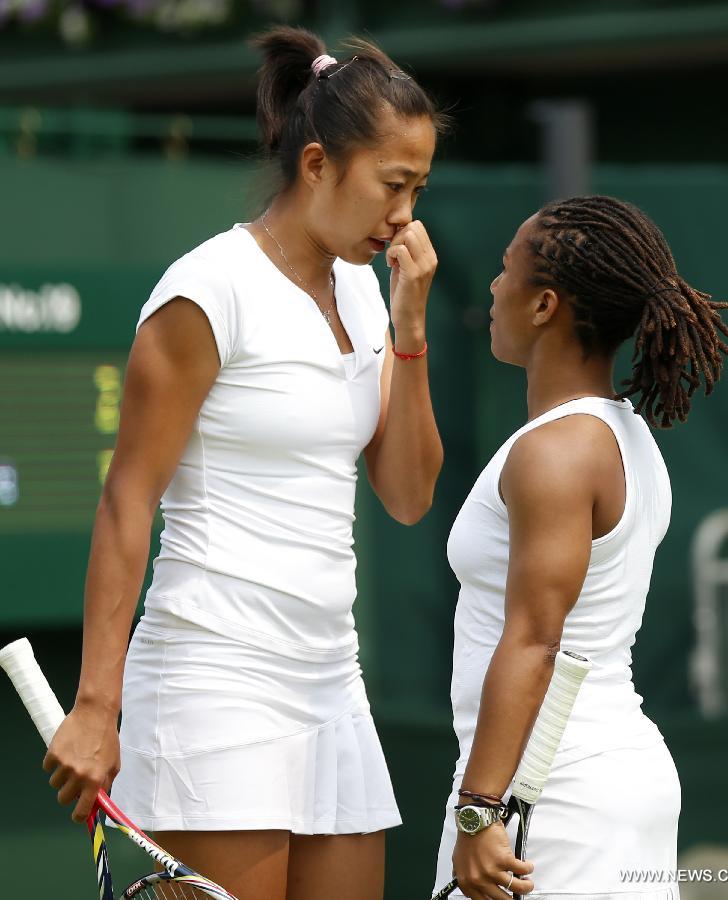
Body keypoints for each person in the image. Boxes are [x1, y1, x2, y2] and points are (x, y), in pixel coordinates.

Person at [42, 26, 446, 900]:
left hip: (331, 682)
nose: (405, 215)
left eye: (417, 189)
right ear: (316, 166)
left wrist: (409, 334)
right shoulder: (208, 290)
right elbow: (126, 503)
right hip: (210, 679)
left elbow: (409, 495)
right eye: (393, 185)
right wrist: (95, 708)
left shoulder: (368, 291)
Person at [432, 195, 728, 900]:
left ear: (544, 305)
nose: (491, 287)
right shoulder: (622, 437)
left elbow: (536, 639)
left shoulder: (558, 452)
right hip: (600, 782)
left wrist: (480, 809)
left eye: (505, 270)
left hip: (550, 795)